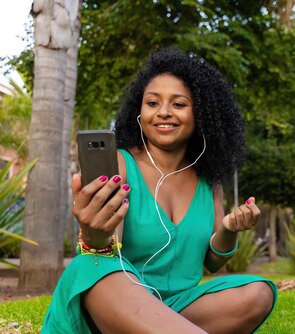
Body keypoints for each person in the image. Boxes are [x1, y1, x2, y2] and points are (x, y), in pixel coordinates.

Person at [42, 48, 277, 333]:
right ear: (139, 113)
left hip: (177, 306)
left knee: (258, 293)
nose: (163, 112)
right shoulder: (121, 163)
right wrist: (96, 234)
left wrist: (228, 229)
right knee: (94, 267)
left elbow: (213, 262)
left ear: (200, 113)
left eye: (178, 104)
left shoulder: (209, 181)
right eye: (152, 103)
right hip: (114, 300)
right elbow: (104, 253)